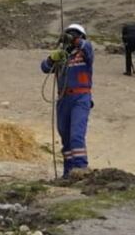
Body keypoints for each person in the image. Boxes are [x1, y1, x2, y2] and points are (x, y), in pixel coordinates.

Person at [41, 24, 94, 177]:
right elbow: (45, 68)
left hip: (80, 98)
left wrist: (75, 40)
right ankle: (68, 172)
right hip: (63, 99)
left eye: (74, 34)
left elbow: (86, 46)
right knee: (65, 137)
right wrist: (52, 58)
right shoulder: (63, 56)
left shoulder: (85, 53)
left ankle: (81, 169)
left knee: (76, 135)